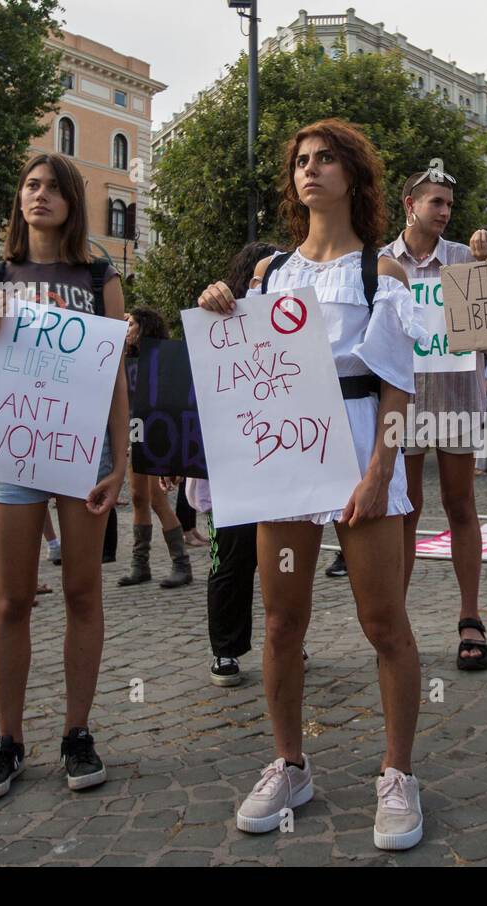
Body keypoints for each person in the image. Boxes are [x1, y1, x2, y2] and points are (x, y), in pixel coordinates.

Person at [197, 119, 424, 850]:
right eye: (301, 160)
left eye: (327, 159)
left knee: (383, 621)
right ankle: (290, 763)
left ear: (354, 177)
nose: (311, 169)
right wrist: (218, 308)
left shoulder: (380, 274)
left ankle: (398, 772)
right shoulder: (268, 275)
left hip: (359, 449)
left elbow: (398, 389)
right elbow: (246, 367)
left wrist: (382, 469)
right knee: (280, 621)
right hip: (287, 457)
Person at [0, 152, 128, 800]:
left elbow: (116, 377)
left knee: (84, 593)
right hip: (13, 452)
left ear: (72, 202)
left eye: (54, 188)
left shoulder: (98, 275)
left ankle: (77, 733)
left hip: (80, 453)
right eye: (31, 185)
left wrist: (123, 462)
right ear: (19, 198)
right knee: (12, 597)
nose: (40, 195)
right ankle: (7, 741)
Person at [383, 167, 487, 670]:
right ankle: (395, 622)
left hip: (457, 394)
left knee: (461, 506)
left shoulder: (465, 261)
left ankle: (470, 617)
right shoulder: (382, 262)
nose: (445, 211)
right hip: (402, 400)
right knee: (403, 512)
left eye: (449, 203)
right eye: (436, 202)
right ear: (410, 204)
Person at [196, 239, 278, 687]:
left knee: (285, 557)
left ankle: (287, 637)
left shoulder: (292, 319)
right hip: (234, 461)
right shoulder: (220, 317)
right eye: (259, 277)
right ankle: (226, 648)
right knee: (230, 557)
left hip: (286, 454)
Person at [118, 305, 193, 589]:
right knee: (138, 497)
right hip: (134, 431)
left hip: (156, 430)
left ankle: (181, 563)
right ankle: (140, 565)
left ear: (145, 327)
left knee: (157, 499)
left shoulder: (162, 357)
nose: (127, 330)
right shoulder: (123, 359)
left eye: (132, 324)